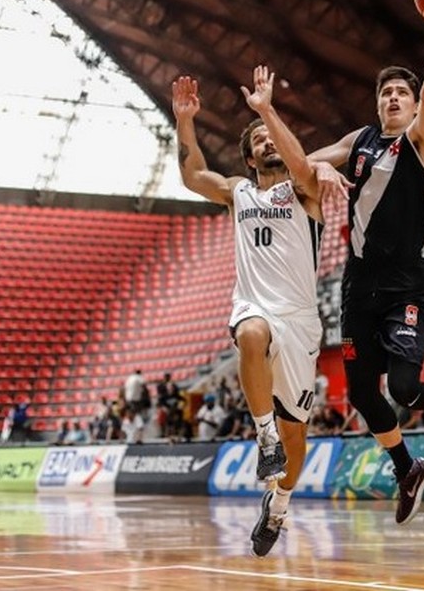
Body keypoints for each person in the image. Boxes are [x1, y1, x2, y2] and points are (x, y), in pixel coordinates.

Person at [298, 0, 424, 525]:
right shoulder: (360, 141)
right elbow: (304, 161)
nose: (395, 98)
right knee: (359, 394)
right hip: (359, 285)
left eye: (403, 92)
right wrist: (320, 169)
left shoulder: (421, 139)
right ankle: (407, 468)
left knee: (403, 389)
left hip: (405, 284)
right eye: (387, 93)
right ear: (377, 105)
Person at [174, 65, 334, 556]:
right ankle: (264, 439)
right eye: (259, 140)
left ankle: (279, 504)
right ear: (248, 156)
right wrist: (185, 121)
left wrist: (266, 110)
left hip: (301, 318)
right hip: (256, 306)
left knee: (298, 434)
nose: (268, 144)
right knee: (249, 333)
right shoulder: (238, 192)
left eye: (273, 138)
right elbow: (192, 174)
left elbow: (304, 166)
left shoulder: (305, 189)